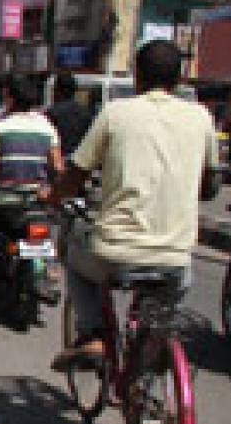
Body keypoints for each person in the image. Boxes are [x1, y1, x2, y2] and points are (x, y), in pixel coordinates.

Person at [49, 39, 217, 369]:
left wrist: (53, 196)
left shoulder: (115, 114)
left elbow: (76, 174)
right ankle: (149, 352)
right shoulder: (201, 118)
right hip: (176, 258)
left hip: (116, 252)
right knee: (167, 296)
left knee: (71, 251)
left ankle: (93, 334)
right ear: (180, 79)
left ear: (138, 77)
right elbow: (209, 184)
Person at [0, 74, 63, 284]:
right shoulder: (46, 126)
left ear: (9, 98)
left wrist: (7, 181)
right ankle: (50, 267)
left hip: (3, 200)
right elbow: (58, 168)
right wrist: (46, 187)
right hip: (37, 200)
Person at [45, 70, 93, 163]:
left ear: (57, 90)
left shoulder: (51, 113)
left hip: (59, 161)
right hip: (79, 162)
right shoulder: (86, 113)